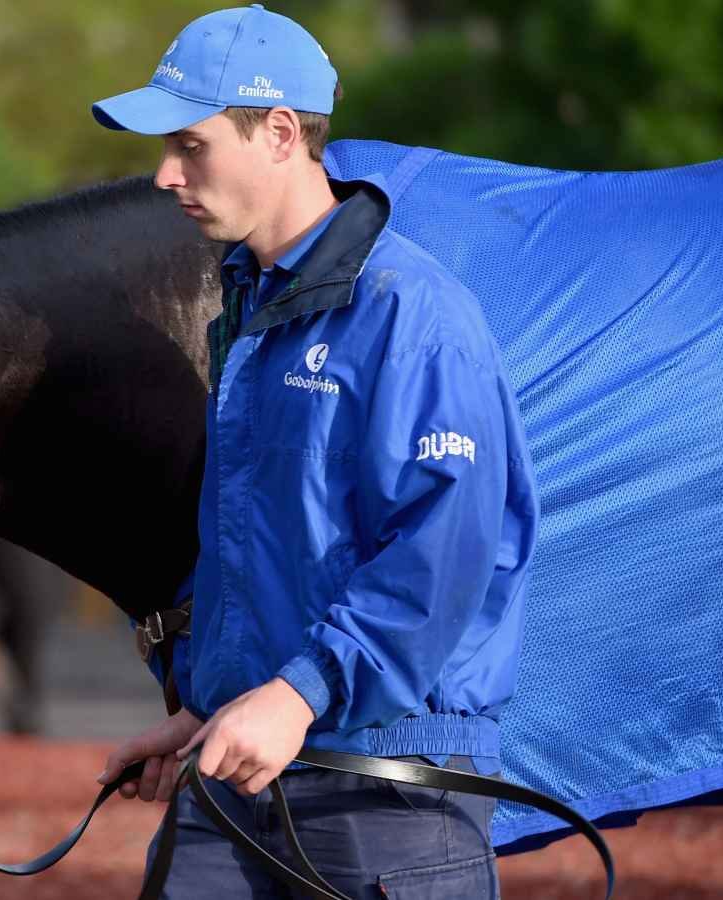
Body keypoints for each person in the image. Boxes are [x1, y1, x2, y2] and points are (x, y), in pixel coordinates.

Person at [91, 5, 538, 897]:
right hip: (239, 776)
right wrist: (209, 708)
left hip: (385, 797)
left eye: (190, 144)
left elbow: (442, 551)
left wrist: (297, 695)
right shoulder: (249, 315)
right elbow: (272, 549)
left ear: (281, 133)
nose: (163, 174)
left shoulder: (415, 316)